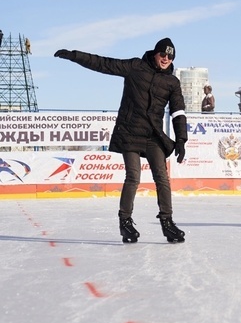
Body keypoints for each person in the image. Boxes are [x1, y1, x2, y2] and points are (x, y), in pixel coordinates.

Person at [54, 38, 189, 243]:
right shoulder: (136, 67)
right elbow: (104, 64)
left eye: (170, 57)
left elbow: (178, 111)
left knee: (162, 177)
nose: (166, 59)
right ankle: (125, 221)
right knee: (133, 177)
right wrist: (75, 55)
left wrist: (181, 139)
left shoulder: (172, 82)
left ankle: (167, 222)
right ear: (155, 53)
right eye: (163, 54)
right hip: (130, 131)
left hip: (153, 135)